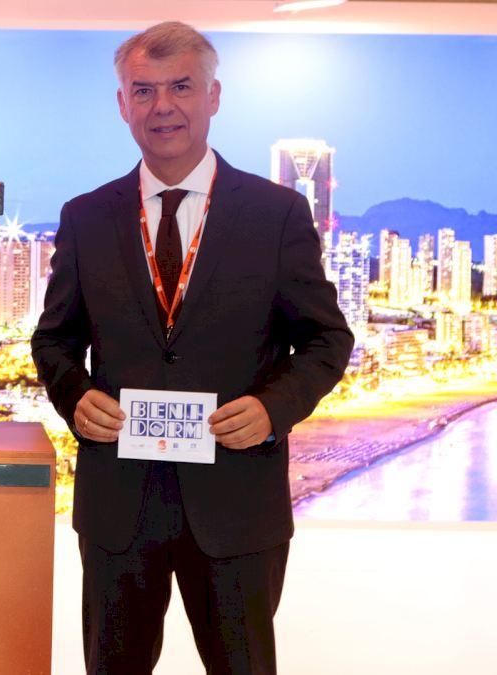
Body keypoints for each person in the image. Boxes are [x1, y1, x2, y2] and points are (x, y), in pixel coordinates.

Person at [31, 22, 353, 675]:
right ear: (122, 104)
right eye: (143, 90)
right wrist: (74, 395)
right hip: (120, 502)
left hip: (237, 503)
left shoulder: (276, 214)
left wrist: (272, 409)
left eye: (181, 87)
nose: (163, 106)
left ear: (214, 95)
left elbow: (327, 338)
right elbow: (54, 339)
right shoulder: (86, 217)